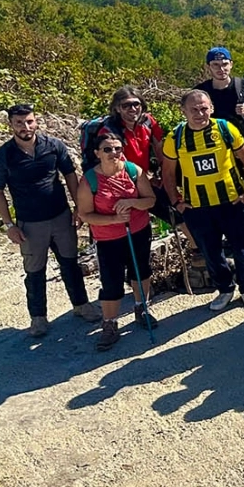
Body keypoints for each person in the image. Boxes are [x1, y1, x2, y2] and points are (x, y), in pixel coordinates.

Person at [0, 103, 97, 335]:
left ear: (36, 121)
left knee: (71, 263)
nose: (25, 127)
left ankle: (81, 305)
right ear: (11, 125)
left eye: (29, 121)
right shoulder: (2, 156)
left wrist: (78, 207)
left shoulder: (53, 145)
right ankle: (38, 318)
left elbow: (70, 174)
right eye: (19, 123)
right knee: (35, 272)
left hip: (61, 217)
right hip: (29, 224)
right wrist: (9, 225)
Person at [161, 89, 244, 312]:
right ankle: (224, 289)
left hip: (232, 202)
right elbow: (167, 172)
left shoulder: (225, 128)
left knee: (243, 247)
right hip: (197, 207)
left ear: (212, 108)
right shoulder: (175, 137)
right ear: (183, 111)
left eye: (204, 108)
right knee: (211, 252)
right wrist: (176, 201)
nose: (199, 113)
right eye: (194, 109)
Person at [74, 128, 158, 351]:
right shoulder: (89, 181)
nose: (114, 153)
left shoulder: (133, 171)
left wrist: (132, 203)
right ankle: (110, 323)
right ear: (97, 153)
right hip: (108, 239)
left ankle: (142, 308)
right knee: (111, 281)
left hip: (138, 231)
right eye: (107, 150)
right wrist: (114, 219)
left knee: (141, 270)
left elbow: (150, 200)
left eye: (118, 148)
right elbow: (85, 214)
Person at [79, 86, 171, 235]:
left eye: (136, 104)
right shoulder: (110, 132)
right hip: (126, 181)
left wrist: (165, 176)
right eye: (126, 105)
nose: (132, 109)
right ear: (117, 108)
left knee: (176, 212)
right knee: (172, 216)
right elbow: (119, 162)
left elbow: (160, 150)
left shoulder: (148, 122)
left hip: (142, 178)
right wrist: (148, 179)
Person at [196, 46, 244, 234]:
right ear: (208, 67)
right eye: (216, 65)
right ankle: (233, 226)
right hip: (217, 148)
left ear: (231, 65)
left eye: (225, 64)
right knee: (225, 187)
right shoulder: (201, 91)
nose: (221, 69)